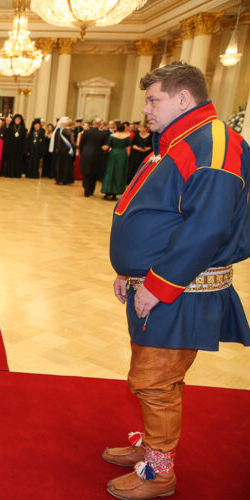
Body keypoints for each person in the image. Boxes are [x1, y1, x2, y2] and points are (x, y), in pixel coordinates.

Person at [106, 61, 250, 500]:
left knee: (156, 382)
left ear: (184, 98)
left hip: (182, 289)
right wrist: (130, 271)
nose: (145, 110)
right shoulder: (182, 139)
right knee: (154, 376)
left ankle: (159, 472)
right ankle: (150, 448)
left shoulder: (214, 141)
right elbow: (164, 211)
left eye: (154, 100)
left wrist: (158, 284)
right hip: (159, 282)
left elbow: (207, 228)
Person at [79, 118, 109, 197]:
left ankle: (86, 189)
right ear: (100, 125)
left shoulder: (86, 132)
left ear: (93, 124)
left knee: (86, 173)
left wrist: (82, 152)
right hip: (97, 155)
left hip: (86, 154)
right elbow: (105, 146)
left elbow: (81, 144)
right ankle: (91, 190)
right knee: (94, 173)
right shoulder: (103, 134)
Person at [101, 122, 131, 200]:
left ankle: (107, 192)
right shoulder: (127, 137)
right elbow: (128, 150)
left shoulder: (112, 136)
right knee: (119, 174)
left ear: (116, 128)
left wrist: (101, 147)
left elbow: (107, 147)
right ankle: (116, 193)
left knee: (110, 172)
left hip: (113, 154)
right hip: (122, 155)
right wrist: (125, 158)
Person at [3, 113, 26, 177]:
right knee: (10, 161)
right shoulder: (10, 128)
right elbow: (7, 140)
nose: (17, 120)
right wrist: (6, 149)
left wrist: (24, 150)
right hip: (11, 149)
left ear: (21, 120)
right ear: (14, 120)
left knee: (18, 162)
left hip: (19, 149)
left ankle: (17, 174)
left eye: (19, 119)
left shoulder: (23, 129)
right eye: (16, 119)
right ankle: (9, 173)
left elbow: (25, 141)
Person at [54, 117, 76, 185]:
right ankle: (65, 180)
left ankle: (58, 179)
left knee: (60, 164)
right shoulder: (70, 132)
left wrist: (57, 148)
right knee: (66, 165)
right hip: (67, 150)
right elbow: (72, 142)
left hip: (60, 149)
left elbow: (58, 141)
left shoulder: (60, 131)